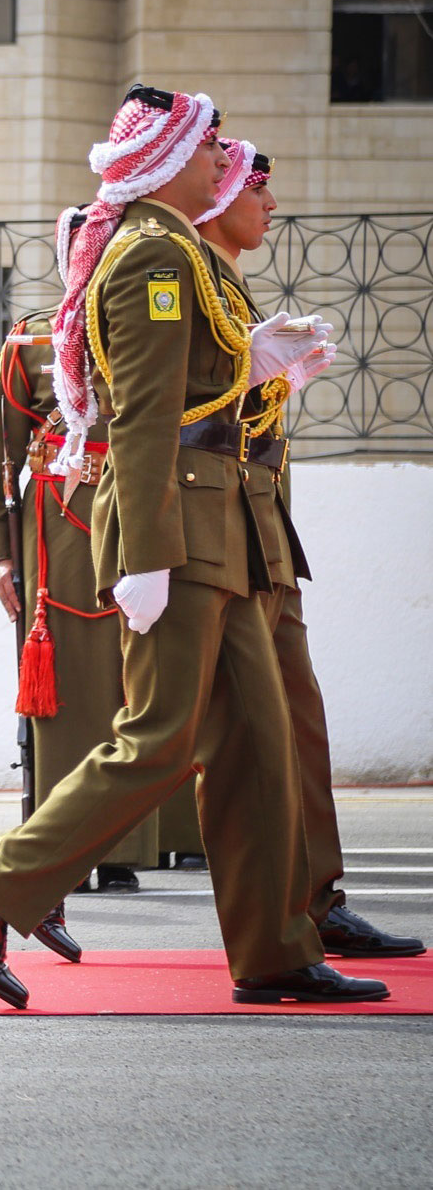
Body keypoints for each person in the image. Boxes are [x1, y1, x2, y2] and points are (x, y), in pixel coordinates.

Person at [0, 84, 386, 1007]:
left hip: (219, 525)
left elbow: (194, 396)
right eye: (211, 145)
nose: (226, 160)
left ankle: (276, 952)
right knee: (157, 739)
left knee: (257, 744)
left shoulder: (181, 251)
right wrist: (142, 554)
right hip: (179, 528)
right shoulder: (152, 256)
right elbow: (139, 419)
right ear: (170, 156)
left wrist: (260, 361)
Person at [193, 140, 421, 958]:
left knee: (298, 722)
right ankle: (5, 888)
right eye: (259, 187)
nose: (271, 203)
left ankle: (314, 901)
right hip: (219, 528)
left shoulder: (226, 277)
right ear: (217, 196)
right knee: (202, 739)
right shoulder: (183, 265)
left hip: (261, 521)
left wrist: (278, 379)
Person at [0, 209, 162, 902]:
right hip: (52, 531)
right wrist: (0, 549)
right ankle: (62, 846)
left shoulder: (151, 329)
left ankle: (122, 847)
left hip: (134, 516)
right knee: (61, 696)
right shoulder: (28, 340)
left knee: (131, 681)